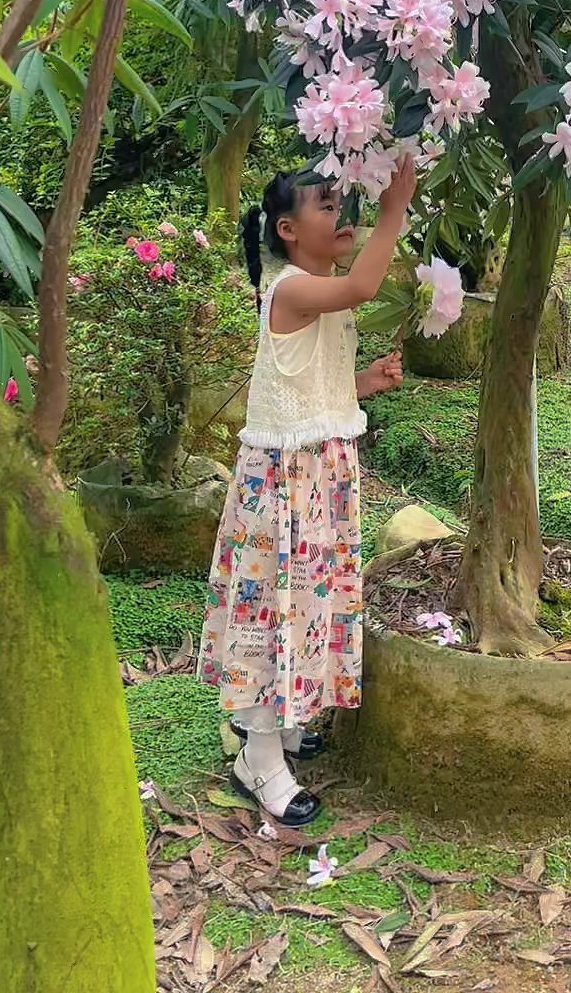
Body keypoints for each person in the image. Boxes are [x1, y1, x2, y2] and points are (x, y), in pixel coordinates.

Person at [198, 154, 415, 825]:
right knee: (273, 609)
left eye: (344, 201)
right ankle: (258, 758)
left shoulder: (311, 291)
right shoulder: (292, 288)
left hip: (316, 476)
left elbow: (304, 390)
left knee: (302, 604)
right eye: (328, 204)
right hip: (286, 486)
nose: (342, 213)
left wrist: (361, 384)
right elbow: (363, 287)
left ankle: (283, 727)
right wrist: (393, 209)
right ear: (289, 229)